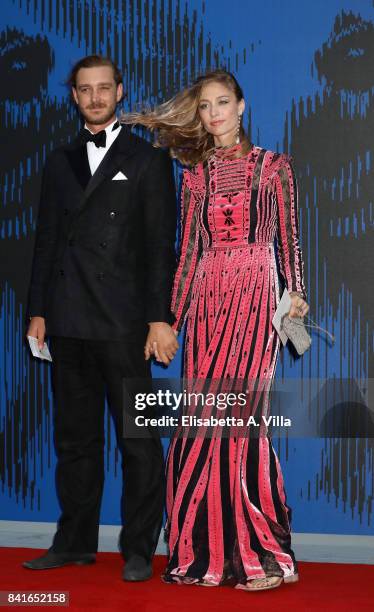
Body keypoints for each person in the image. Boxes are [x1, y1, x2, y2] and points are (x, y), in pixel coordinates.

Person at [123, 69, 309, 591]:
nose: (214, 114)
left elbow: (289, 239)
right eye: (205, 106)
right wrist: (169, 320)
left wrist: (294, 292)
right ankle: (206, 552)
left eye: (223, 102)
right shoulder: (194, 175)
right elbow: (186, 256)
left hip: (255, 296)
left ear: (242, 105)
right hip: (206, 300)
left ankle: (265, 555)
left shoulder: (275, 167)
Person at [23, 55, 179, 581]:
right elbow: (46, 242)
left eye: (103, 88)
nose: (94, 97)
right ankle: (73, 543)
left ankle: (139, 547)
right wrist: (38, 311)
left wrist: (160, 318)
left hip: (125, 322)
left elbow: (161, 248)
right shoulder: (59, 160)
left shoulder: (147, 159)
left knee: (139, 440)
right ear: (73, 96)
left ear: (119, 91)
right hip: (67, 319)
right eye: (85, 90)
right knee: (74, 441)